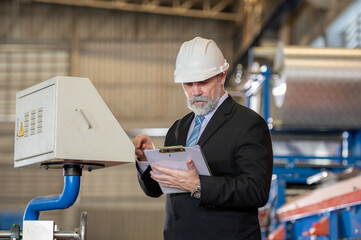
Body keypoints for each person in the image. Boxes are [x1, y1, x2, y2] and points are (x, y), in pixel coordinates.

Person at [133, 36, 273, 240]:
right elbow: (155, 190)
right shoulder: (178, 128)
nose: (196, 91)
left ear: (222, 76)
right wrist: (145, 160)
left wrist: (199, 185)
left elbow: (257, 190)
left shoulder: (248, 124)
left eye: (203, 82)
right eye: (188, 84)